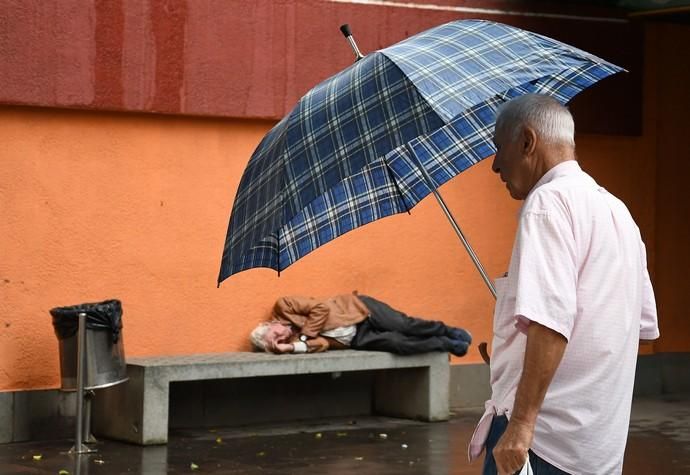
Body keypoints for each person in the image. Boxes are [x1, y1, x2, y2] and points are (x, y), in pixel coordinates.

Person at [468, 94, 659, 475]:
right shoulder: (617, 210)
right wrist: (517, 358)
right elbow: (636, 327)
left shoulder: (547, 204)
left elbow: (551, 323)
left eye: (498, 148)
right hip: (597, 448)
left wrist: (521, 425)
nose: (494, 166)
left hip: (543, 444)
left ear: (527, 141)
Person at [249, 292, 472, 357]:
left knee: (404, 325)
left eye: (274, 335)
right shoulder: (295, 341)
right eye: (276, 343)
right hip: (356, 339)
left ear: (270, 324)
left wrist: (305, 337)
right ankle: (446, 343)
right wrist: (290, 347)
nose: (281, 337)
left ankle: (447, 330)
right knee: (399, 344)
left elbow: (321, 309)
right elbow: (323, 345)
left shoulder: (284, 305)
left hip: (359, 309)